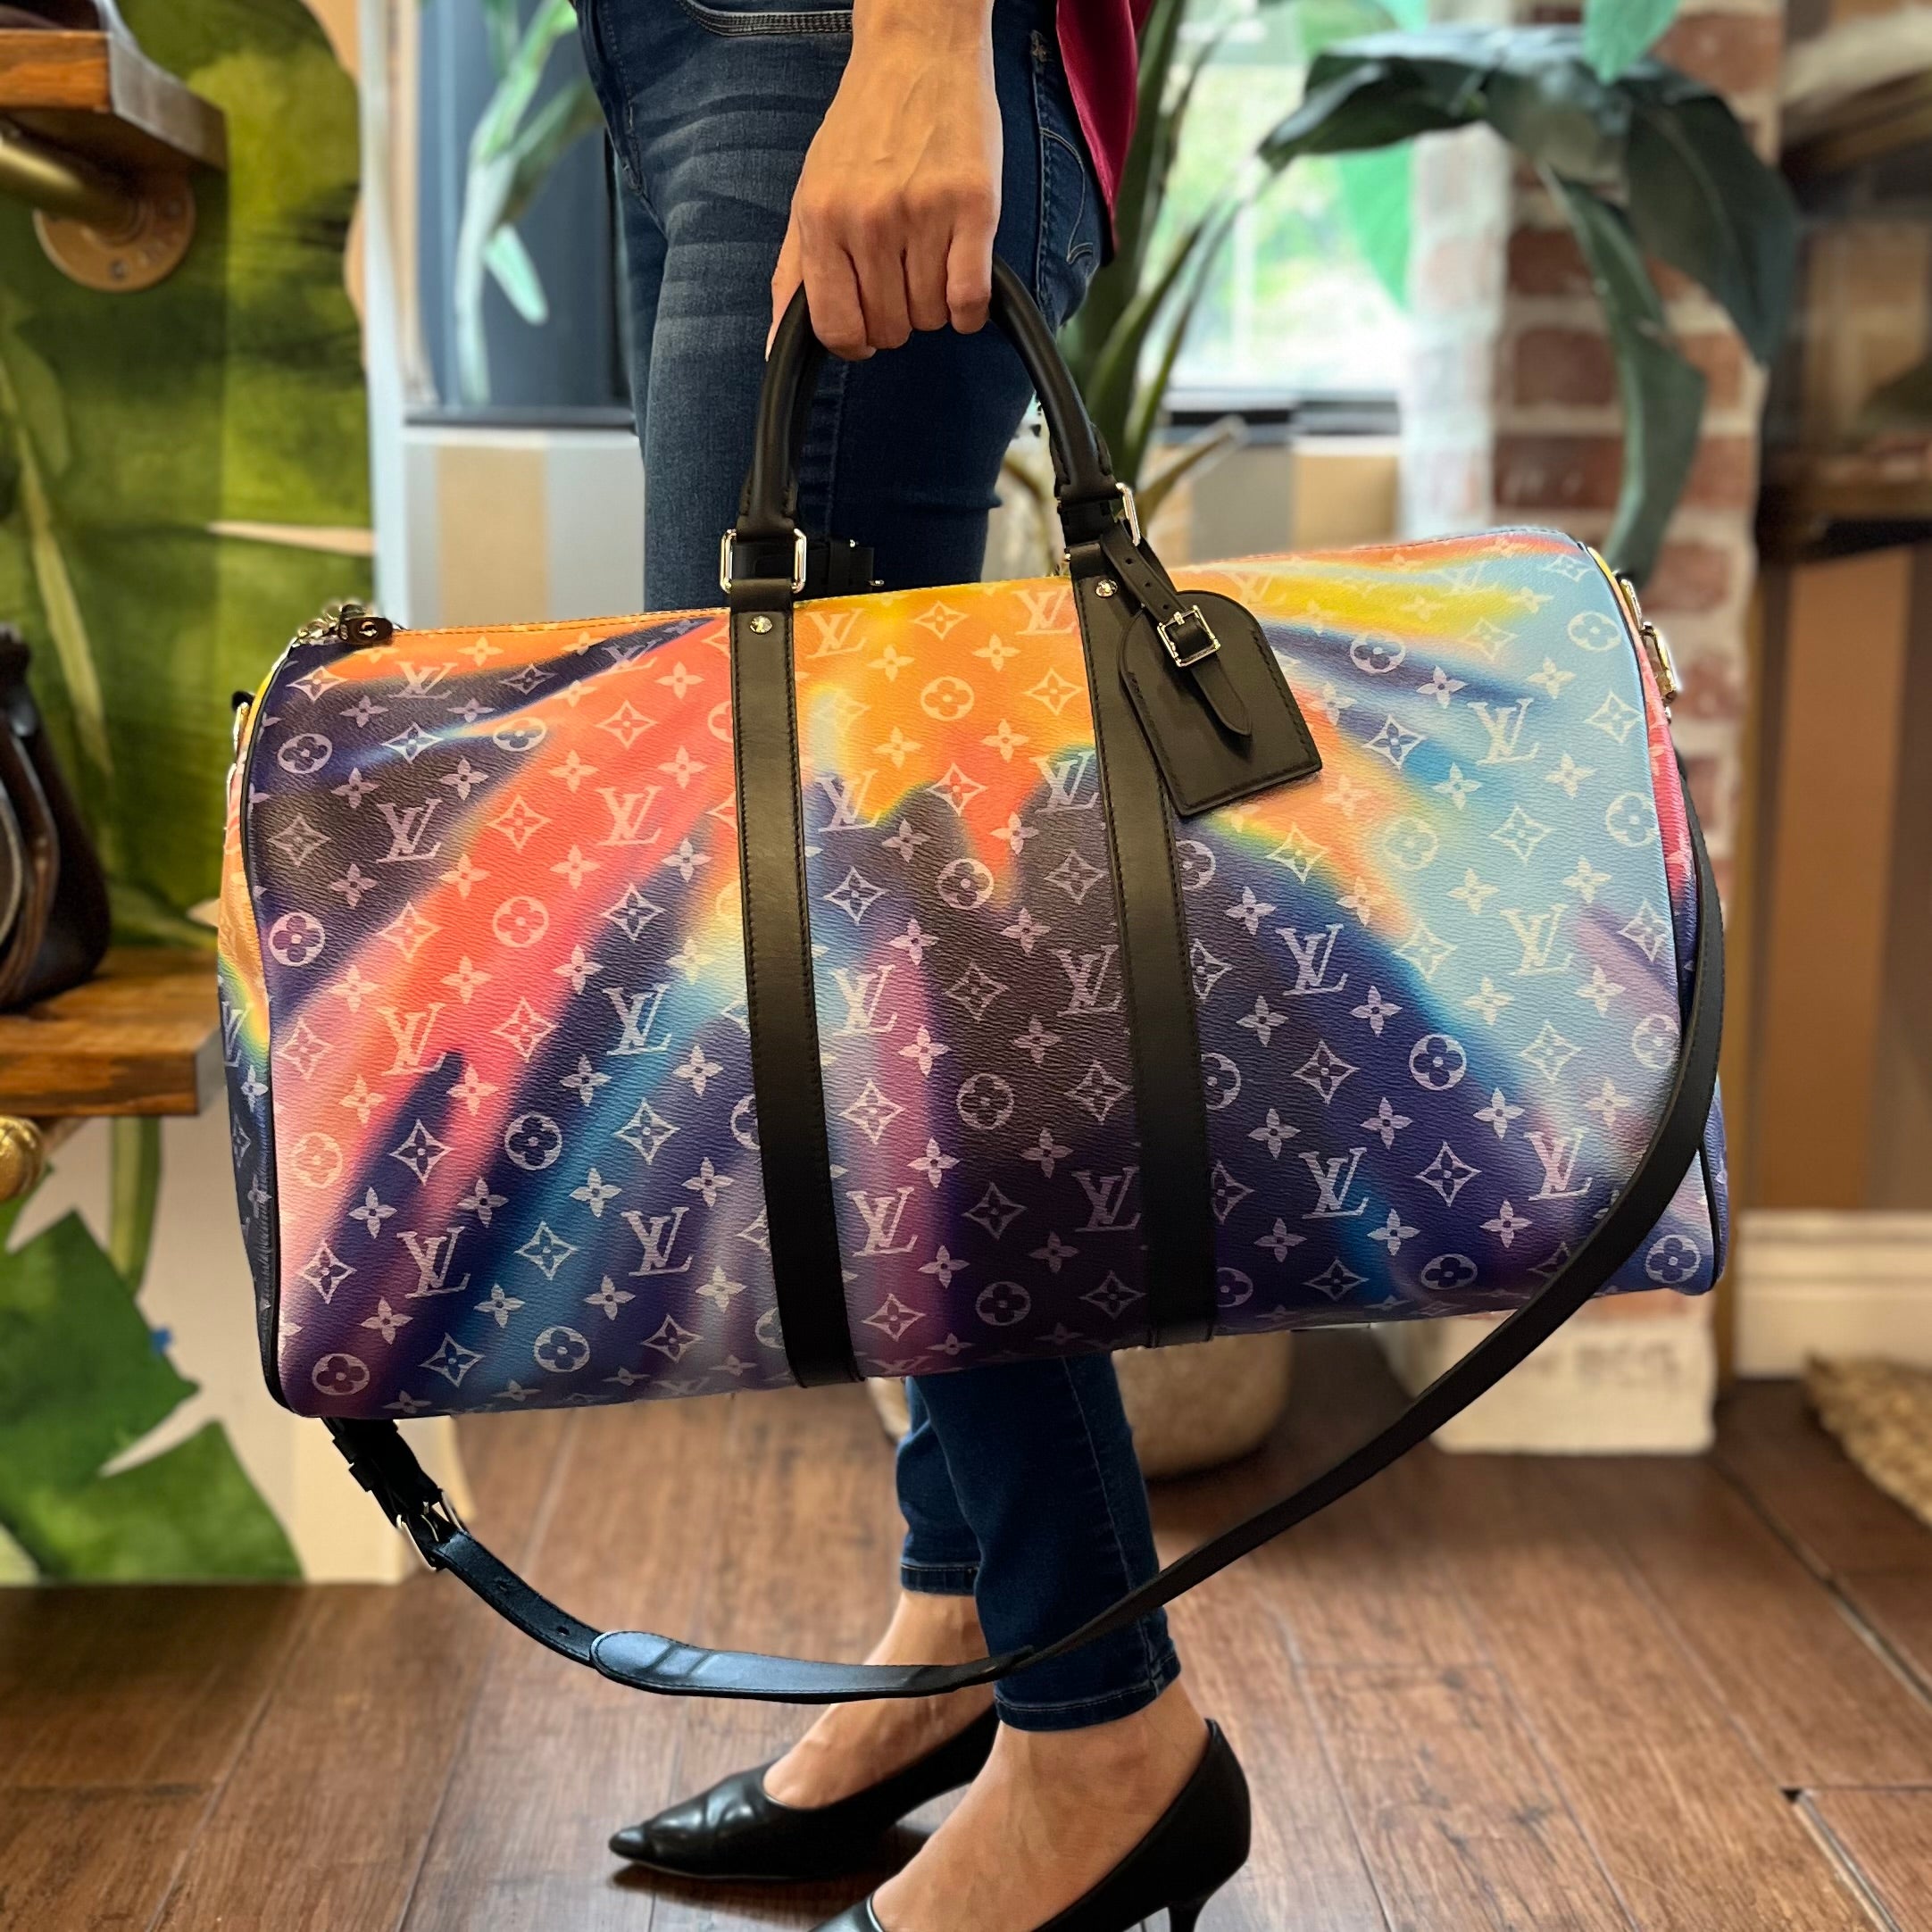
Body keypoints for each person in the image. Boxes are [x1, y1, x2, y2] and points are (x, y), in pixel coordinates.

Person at [570, 0, 1252, 1925]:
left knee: (841, 964)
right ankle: (965, 1622)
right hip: (685, 53)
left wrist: (925, 34)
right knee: (859, 928)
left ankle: (1098, 1728)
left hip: (835, 33)